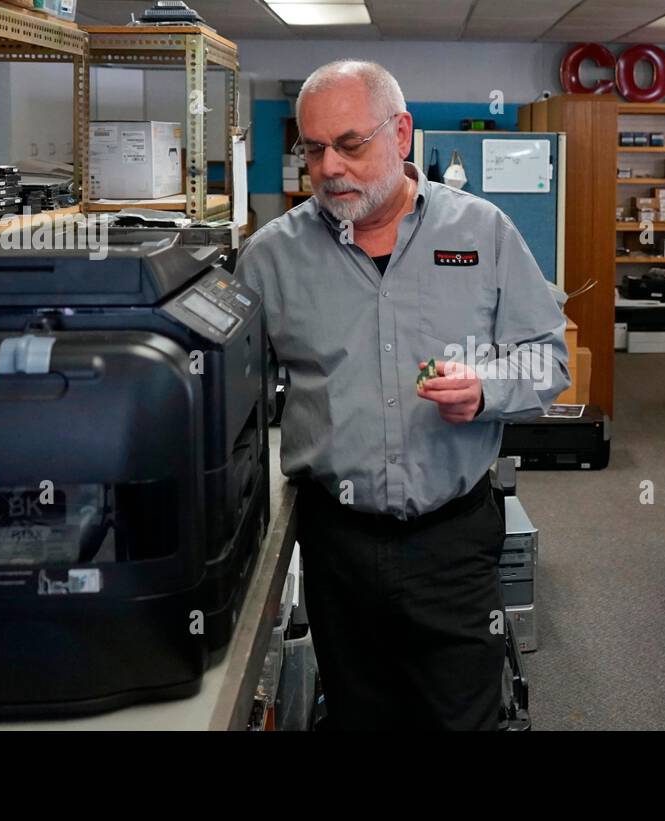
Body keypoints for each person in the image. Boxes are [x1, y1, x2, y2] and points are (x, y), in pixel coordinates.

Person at [236, 59, 569, 730]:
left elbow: (550, 359)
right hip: (338, 543)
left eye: (351, 144)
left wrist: (487, 389)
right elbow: (234, 400)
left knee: (462, 714)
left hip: (452, 538)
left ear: (402, 134)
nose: (330, 167)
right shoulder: (271, 257)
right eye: (314, 148)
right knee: (361, 714)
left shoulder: (484, 233)